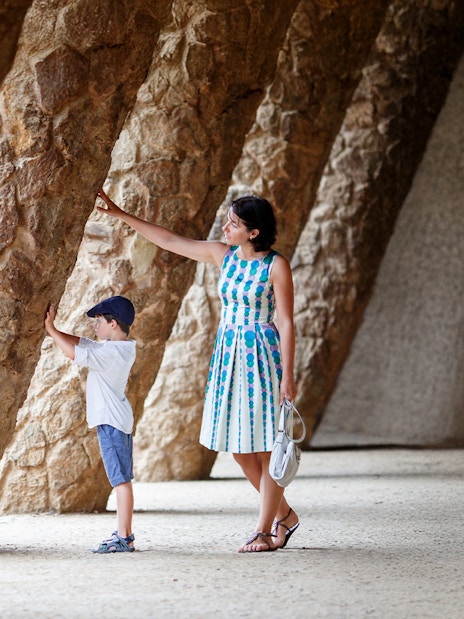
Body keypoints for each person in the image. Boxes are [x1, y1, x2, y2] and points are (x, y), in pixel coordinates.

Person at [97, 188, 299, 552]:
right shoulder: (225, 256)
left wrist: (289, 374)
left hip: (262, 356)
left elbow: (286, 321)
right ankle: (285, 515)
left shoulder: (276, 266)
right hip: (228, 355)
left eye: (234, 224)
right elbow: (171, 240)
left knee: (268, 446)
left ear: (254, 232)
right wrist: (121, 214)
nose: (226, 227)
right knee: (240, 450)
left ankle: (264, 530)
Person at [44, 295, 137, 554]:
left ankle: (124, 536)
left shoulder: (111, 354)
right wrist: (56, 332)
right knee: (122, 478)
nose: (96, 326)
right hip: (116, 419)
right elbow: (84, 344)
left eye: (99, 321)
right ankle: (123, 533)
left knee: (120, 480)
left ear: (113, 323)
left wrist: (51, 330)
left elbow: (75, 352)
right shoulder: (121, 347)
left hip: (111, 421)